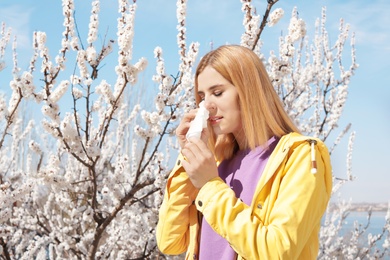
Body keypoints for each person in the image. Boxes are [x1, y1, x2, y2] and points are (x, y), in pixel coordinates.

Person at [156, 44, 332, 260]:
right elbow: (169, 242)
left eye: (218, 93)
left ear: (249, 89)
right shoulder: (217, 162)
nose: (206, 106)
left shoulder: (300, 157)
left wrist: (211, 186)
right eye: (202, 96)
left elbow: (276, 252)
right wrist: (189, 155)